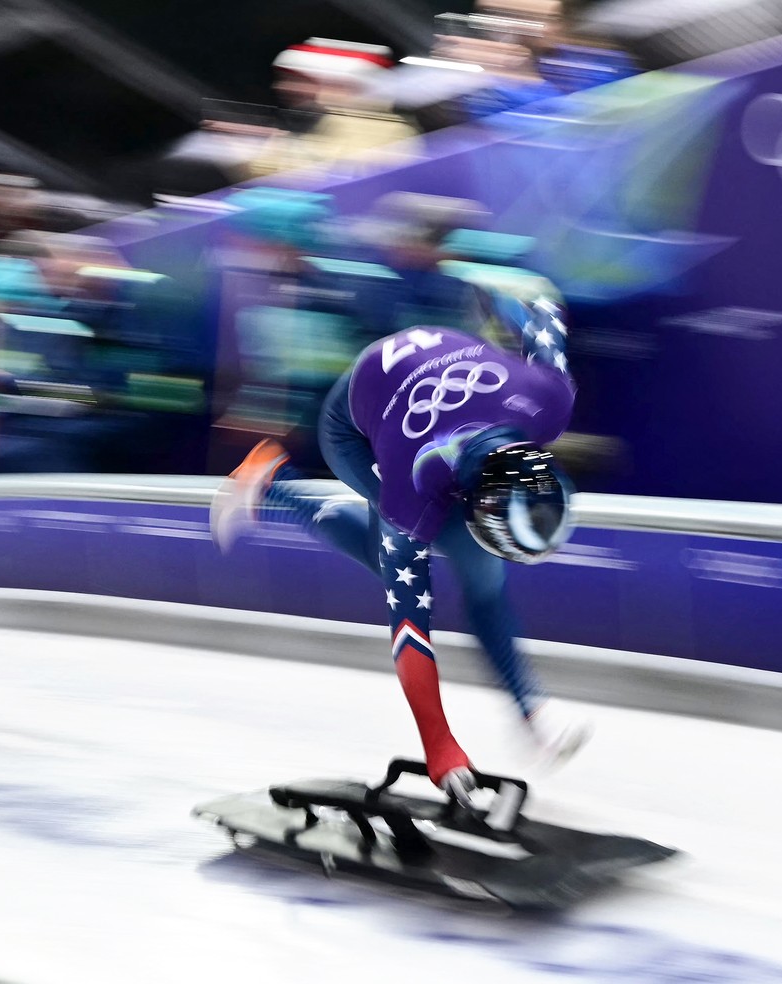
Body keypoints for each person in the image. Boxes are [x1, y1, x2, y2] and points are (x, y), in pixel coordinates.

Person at [211, 287, 588, 804]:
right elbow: (410, 630)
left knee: (481, 575)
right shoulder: (412, 489)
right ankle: (272, 480)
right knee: (400, 564)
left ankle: (532, 711)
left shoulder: (549, 398)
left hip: (430, 379)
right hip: (356, 427)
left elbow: (542, 312)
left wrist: (500, 302)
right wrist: (440, 746)